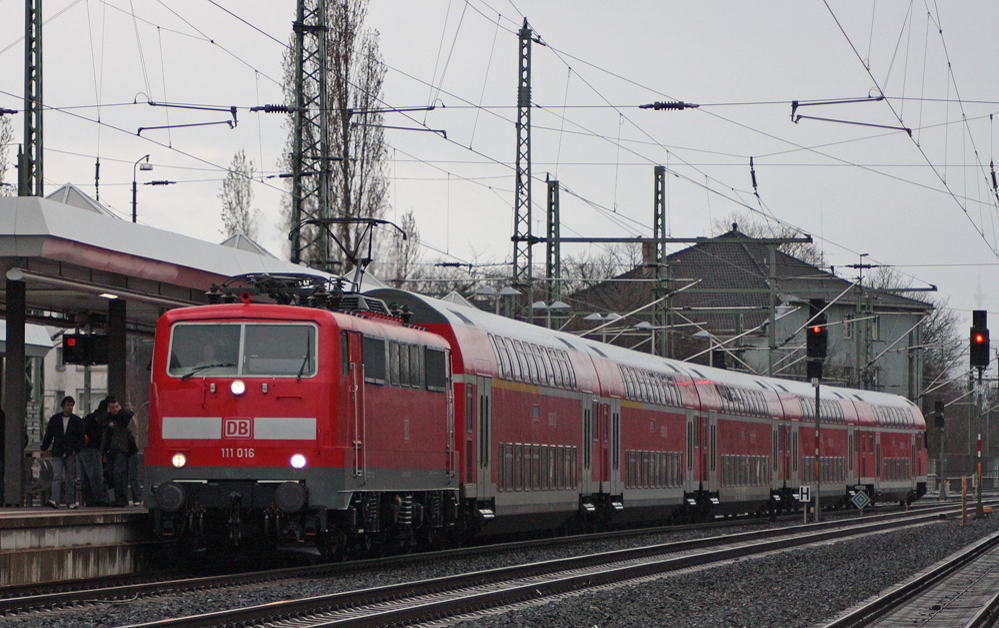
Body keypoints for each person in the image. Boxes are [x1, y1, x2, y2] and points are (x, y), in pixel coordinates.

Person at [41, 396, 85, 508]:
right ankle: (55, 500)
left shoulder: (77, 421)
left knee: (70, 478)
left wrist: (76, 449)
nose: (70, 407)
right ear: (63, 406)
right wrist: (44, 447)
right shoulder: (55, 420)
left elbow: (81, 438)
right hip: (59, 452)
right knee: (57, 476)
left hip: (70, 452)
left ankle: (69, 501)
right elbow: (49, 435)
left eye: (72, 405)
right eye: (68, 405)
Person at [100, 397, 136, 506]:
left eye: (116, 407)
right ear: (108, 408)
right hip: (109, 451)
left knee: (119, 474)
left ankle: (122, 498)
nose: (115, 410)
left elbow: (129, 414)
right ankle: (117, 497)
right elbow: (99, 420)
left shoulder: (122, 419)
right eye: (112, 407)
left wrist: (120, 410)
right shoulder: (107, 419)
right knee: (112, 474)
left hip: (120, 450)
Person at [79, 398, 110, 507]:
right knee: (96, 475)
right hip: (92, 449)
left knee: (86, 477)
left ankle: (89, 500)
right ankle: (99, 499)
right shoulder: (101, 419)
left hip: (82, 449)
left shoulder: (89, 417)